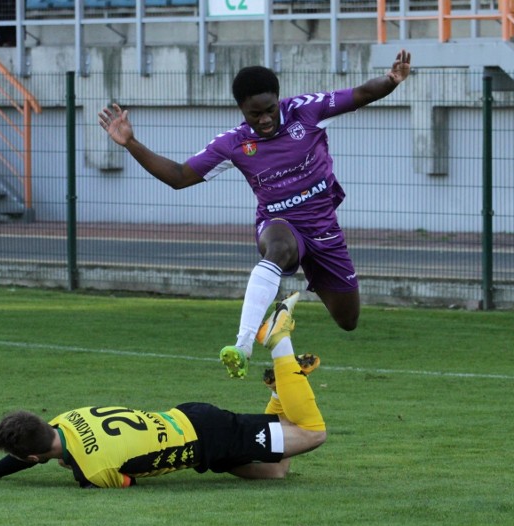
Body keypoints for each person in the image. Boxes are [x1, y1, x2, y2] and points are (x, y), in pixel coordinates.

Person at [97, 49, 412, 379]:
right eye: (254, 114)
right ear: (241, 111)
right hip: (279, 223)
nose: (264, 119)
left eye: (269, 110)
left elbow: (361, 94)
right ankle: (243, 344)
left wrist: (391, 80)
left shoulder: (307, 111)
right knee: (279, 247)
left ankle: (283, 315)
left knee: (348, 320)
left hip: (323, 229)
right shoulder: (233, 143)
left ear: (278, 99)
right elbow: (178, 177)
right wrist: (131, 142)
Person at [0, 292, 326, 488]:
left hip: (210, 436)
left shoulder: (93, 472)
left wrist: (70, 465)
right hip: (190, 424)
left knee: (312, 434)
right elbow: (34, 444)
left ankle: (280, 345)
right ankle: (283, 389)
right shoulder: (65, 418)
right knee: (277, 473)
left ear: (33, 458)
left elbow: (125, 481)